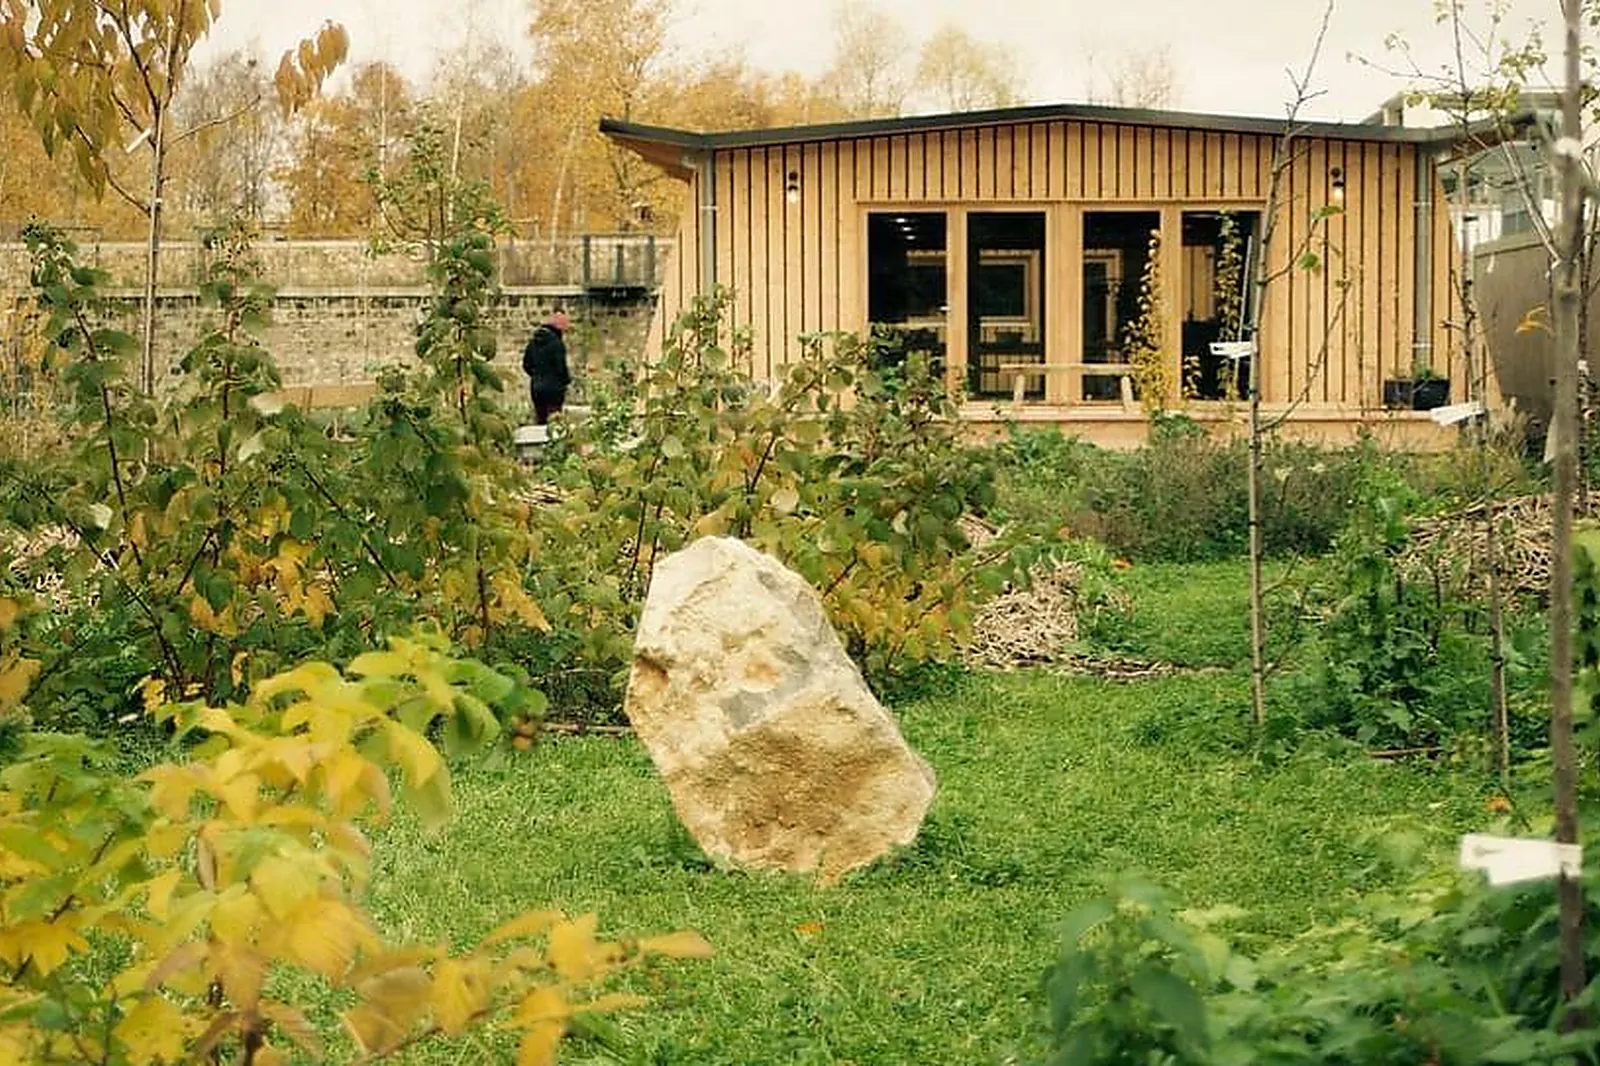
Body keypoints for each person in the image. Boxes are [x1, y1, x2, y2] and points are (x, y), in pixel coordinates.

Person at [522, 310, 571, 425]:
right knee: (554, 421)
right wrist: (566, 380)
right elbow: (560, 367)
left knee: (541, 419)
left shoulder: (533, 342)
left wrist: (537, 376)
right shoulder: (557, 344)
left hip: (537, 388)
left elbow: (526, 364)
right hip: (554, 389)